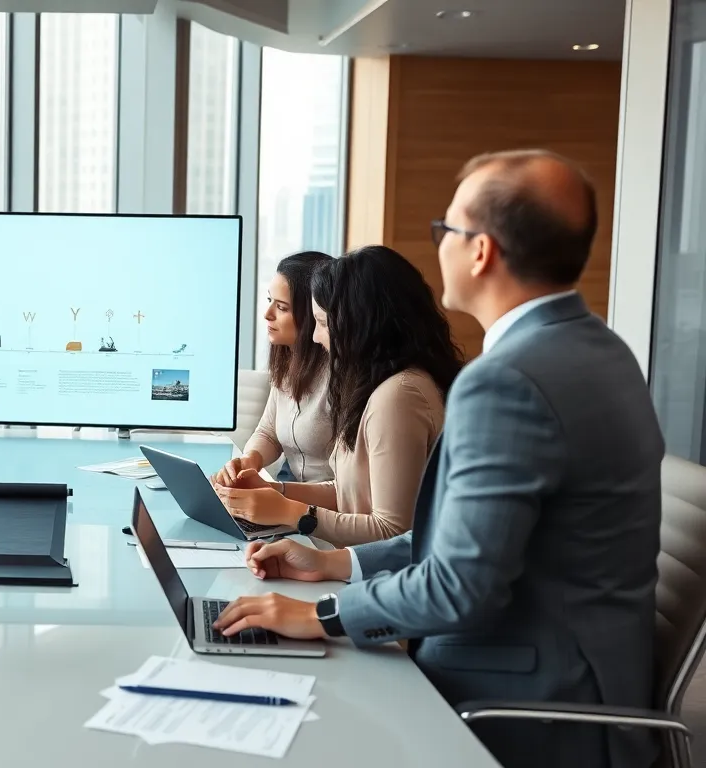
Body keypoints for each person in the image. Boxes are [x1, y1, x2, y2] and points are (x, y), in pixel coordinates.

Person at [212, 150, 663, 768]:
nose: (439, 245)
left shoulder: (507, 380)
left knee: (283, 723)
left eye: (445, 230)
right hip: (590, 676)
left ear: (480, 252)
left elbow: (458, 588)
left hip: (525, 696)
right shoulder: (605, 351)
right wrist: (335, 564)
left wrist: (321, 614)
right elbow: (465, 546)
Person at [216, 246, 463, 547]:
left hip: (371, 570)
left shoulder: (399, 396)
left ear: (359, 324)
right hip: (348, 553)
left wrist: (291, 512)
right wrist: (276, 492)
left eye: (321, 324)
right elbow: (348, 493)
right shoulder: (373, 385)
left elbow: (394, 533)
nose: (317, 338)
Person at [213, 251, 335, 485]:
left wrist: (278, 494)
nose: (267, 314)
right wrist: (250, 460)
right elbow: (268, 432)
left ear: (312, 313)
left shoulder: (339, 376)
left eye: (281, 307)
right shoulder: (289, 361)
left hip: (321, 503)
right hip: (289, 485)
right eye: (270, 301)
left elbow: (351, 492)